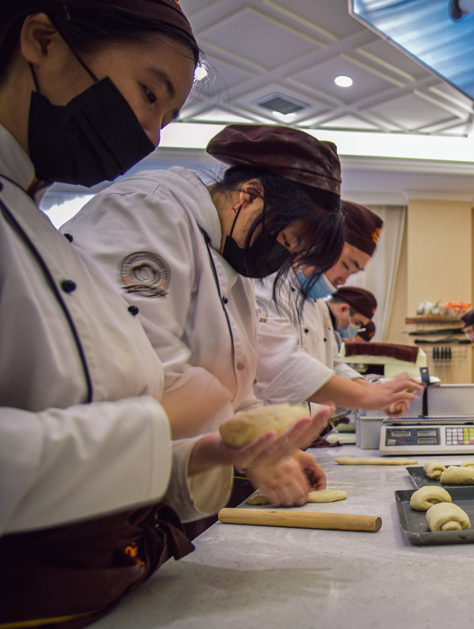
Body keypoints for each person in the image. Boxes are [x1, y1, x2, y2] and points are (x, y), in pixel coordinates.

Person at [0, 0, 322, 629]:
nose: (149, 136)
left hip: (109, 575)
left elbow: (101, 406)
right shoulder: (147, 210)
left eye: (167, 117)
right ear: (42, 41)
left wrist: (211, 451)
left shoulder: (33, 223)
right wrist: (178, 427)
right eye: (149, 95)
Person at [65, 122, 343, 510]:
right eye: (286, 241)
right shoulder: (149, 212)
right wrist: (249, 445)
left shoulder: (232, 263)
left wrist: (272, 447)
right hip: (101, 481)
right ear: (249, 196)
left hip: (175, 484)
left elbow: (237, 387)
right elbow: (140, 367)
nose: (282, 260)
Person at [253, 199, 421, 415]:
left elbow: (333, 364)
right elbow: (281, 367)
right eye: (346, 265)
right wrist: (365, 396)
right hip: (267, 424)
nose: (344, 280)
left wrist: (374, 392)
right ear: (320, 244)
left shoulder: (319, 306)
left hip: (307, 426)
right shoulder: (267, 285)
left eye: (354, 273)